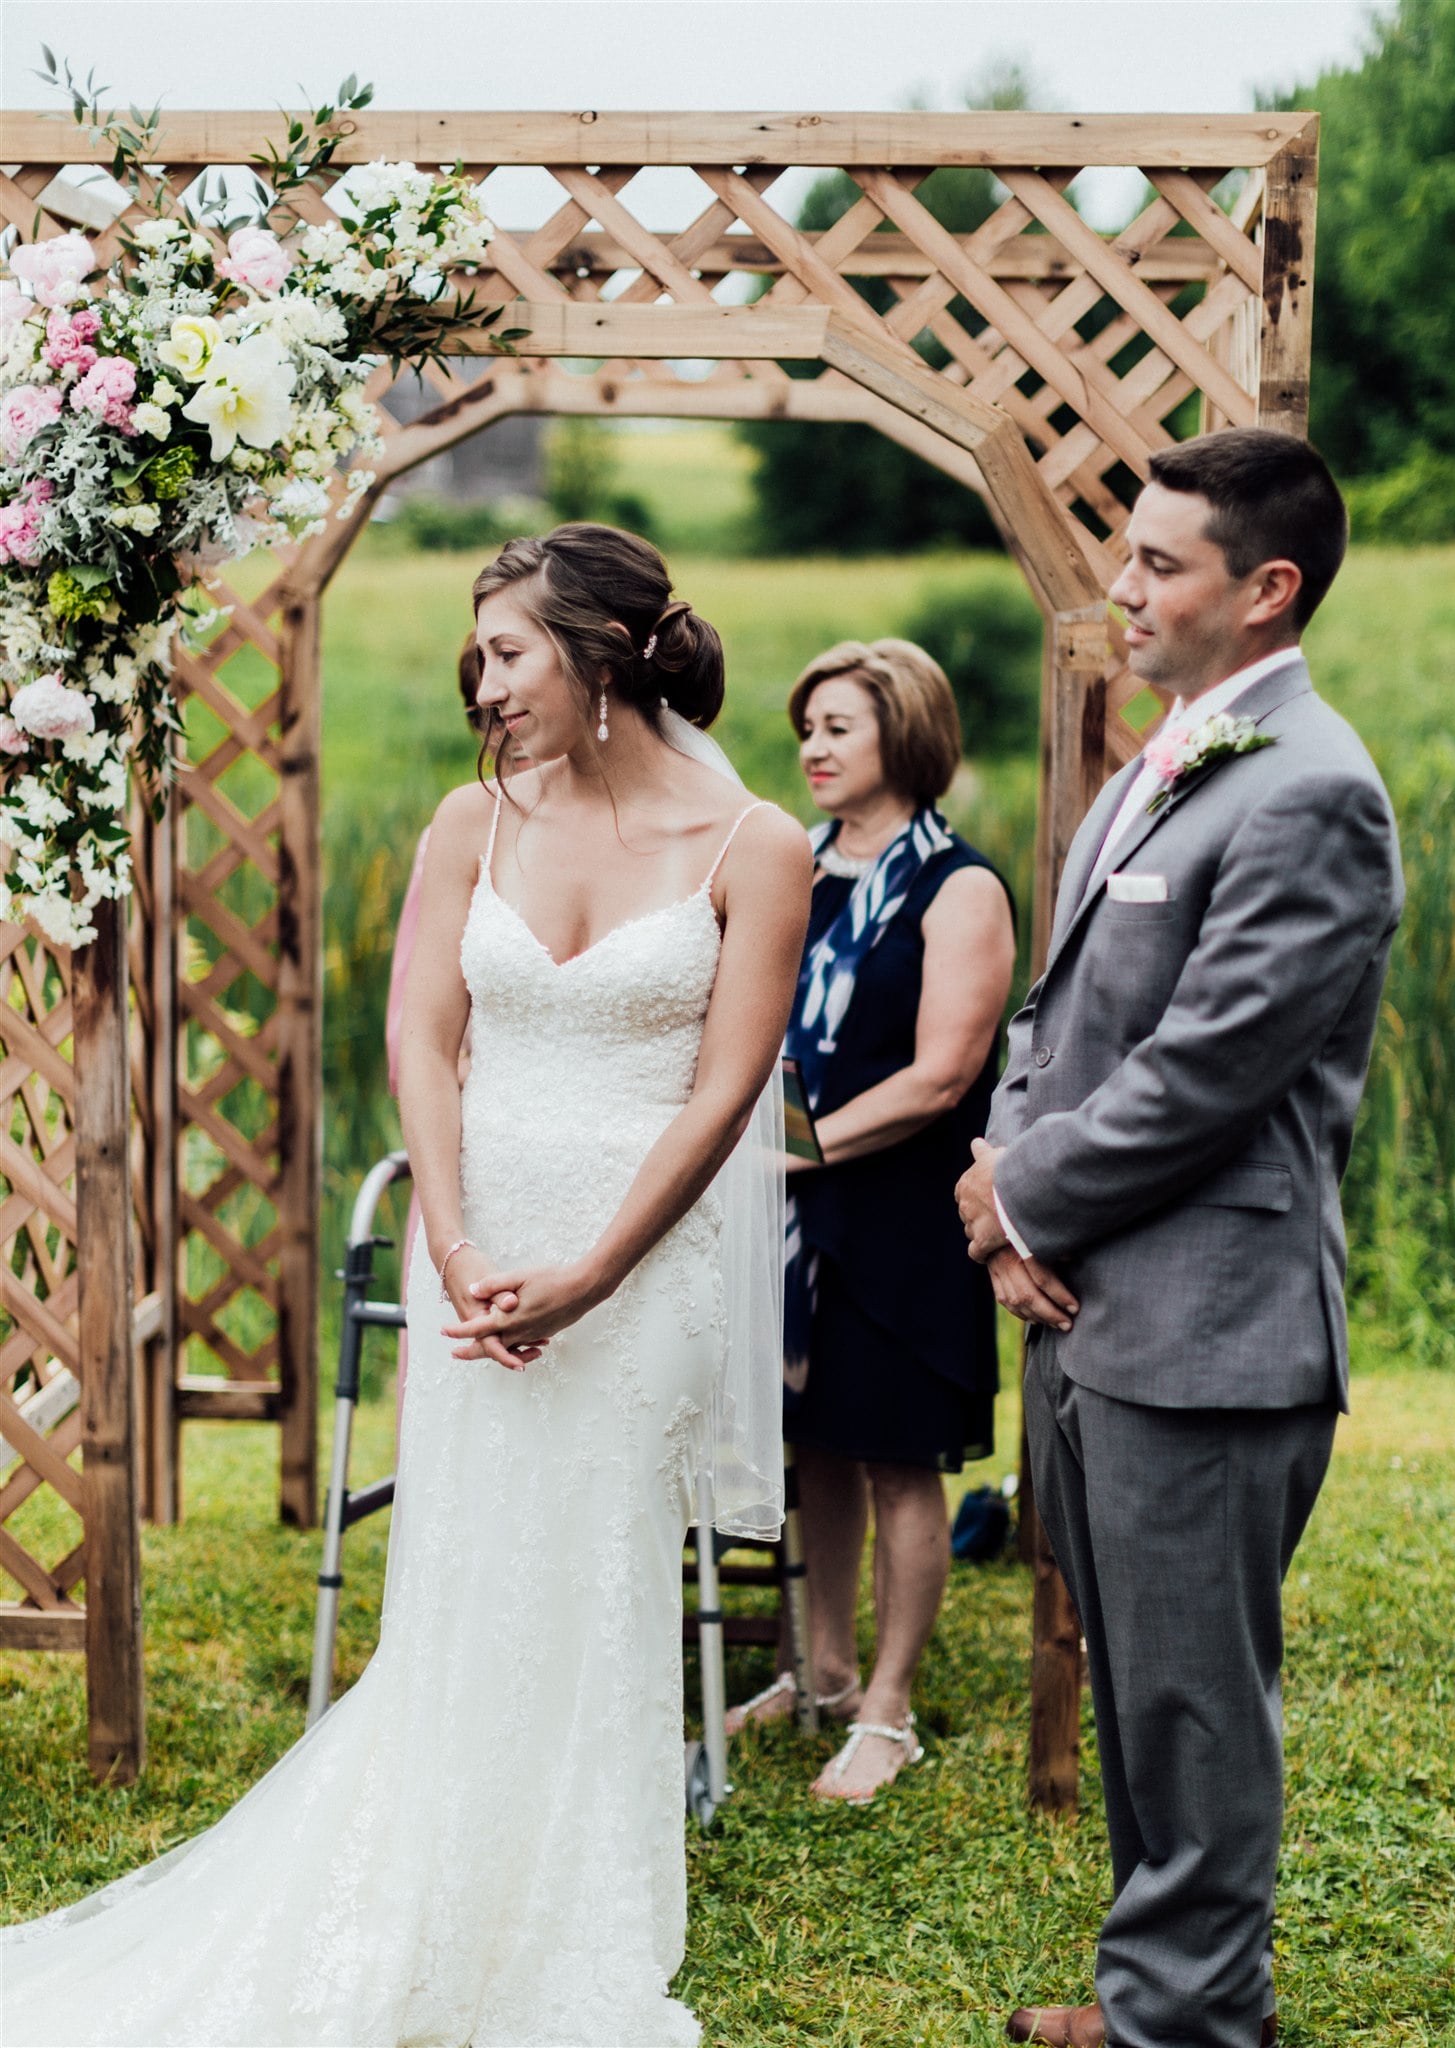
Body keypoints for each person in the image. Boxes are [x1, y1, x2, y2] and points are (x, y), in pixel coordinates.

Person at [0, 525, 812, 2048]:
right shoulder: (469, 824)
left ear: (603, 660)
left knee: (592, 1579)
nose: (480, 680)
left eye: (508, 651)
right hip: (479, 1250)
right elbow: (419, 1041)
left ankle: (562, 1919)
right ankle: (424, 1881)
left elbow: (726, 1092)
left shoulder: (754, 847)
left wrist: (589, 1272)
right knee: (465, 1573)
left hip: (632, 1273)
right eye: (481, 650)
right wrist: (450, 1241)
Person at [954, 430, 1403, 2048]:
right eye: (1126, 553)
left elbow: (1211, 1065)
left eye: (1159, 563)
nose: (1121, 586)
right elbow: (1067, 1014)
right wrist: (1004, 1185)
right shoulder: (1177, 753)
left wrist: (1020, 1193)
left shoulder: (1313, 788)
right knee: (1144, 1692)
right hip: (1094, 1307)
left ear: (1265, 588)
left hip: (1210, 1330)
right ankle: (1166, 1990)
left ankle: (1190, 2022)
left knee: (1196, 1707)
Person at [726, 638, 1015, 1805]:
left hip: (897, 1208)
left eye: (839, 725)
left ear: (906, 733)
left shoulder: (962, 887)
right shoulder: (787, 866)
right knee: (813, 1447)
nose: (813, 747)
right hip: (786, 1213)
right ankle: (820, 1668)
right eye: (808, 727)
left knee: (897, 1456)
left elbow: (946, 1074)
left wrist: (796, 1152)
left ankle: (888, 1706)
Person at [384, 629, 489, 1427]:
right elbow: (409, 1027)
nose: (494, 718)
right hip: (471, 1139)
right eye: (475, 706)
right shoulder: (453, 836)